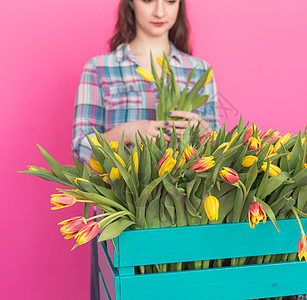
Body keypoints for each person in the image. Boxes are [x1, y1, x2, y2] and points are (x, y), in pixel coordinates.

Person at [70, 0, 220, 298]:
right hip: (120, 214)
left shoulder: (198, 70)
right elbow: (81, 147)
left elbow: (218, 153)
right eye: (149, 0)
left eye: (170, 1)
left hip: (185, 215)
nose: (160, 12)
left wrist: (203, 133)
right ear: (130, 4)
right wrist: (121, 133)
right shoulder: (100, 68)